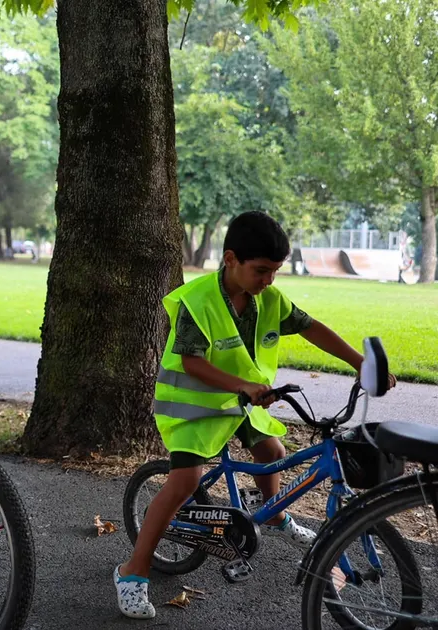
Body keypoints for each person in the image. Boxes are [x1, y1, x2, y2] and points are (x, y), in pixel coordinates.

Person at [113, 211, 398, 620]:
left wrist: (359, 362)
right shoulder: (198, 300)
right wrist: (241, 386)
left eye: (276, 271)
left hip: (242, 402)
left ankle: (276, 516)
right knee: (184, 482)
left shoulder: (268, 299)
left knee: (272, 450)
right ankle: (132, 571)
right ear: (231, 259)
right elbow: (191, 362)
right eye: (262, 270)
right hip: (194, 408)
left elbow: (310, 327)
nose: (269, 280)